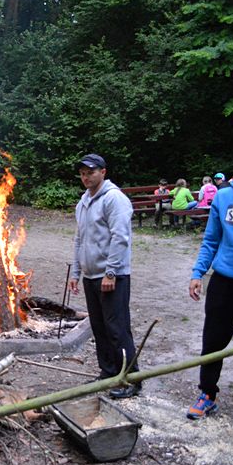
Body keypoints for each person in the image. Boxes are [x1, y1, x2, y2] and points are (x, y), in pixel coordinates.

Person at [186, 146, 233, 426]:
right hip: (224, 282)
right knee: (213, 342)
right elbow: (211, 240)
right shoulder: (224, 196)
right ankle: (207, 394)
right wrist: (197, 272)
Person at [68, 153, 140, 398]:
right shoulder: (84, 201)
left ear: (103, 172)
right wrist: (76, 272)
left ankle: (131, 379)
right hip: (90, 275)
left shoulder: (114, 199)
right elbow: (80, 238)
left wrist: (111, 272)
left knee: (117, 328)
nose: (86, 176)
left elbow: (121, 237)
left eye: (91, 172)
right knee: (99, 327)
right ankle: (108, 372)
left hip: (112, 276)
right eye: (82, 173)